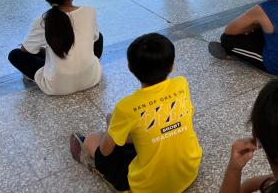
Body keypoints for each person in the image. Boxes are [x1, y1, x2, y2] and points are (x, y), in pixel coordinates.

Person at [70, 33, 202, 193]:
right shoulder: (181, 84)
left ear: (130, 68)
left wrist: (111, 126)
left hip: (148, 186)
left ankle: (105, 171)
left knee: (93, 139)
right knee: (132, 131)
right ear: (172, 65)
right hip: (189, 171)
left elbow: (105, 151)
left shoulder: (126, 107)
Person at [8, 0, 103, 95]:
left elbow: (26, 51)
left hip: (57, 87)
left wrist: (42, 50)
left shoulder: (42, 21)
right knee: (98, 36)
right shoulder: (90, 12)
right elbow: (95, 39)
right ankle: (85, 66)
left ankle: (46, 68)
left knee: (15, 55)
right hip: (92, 78)